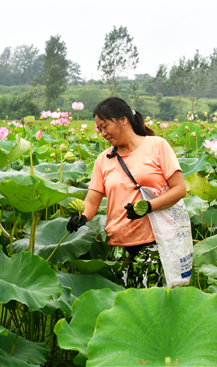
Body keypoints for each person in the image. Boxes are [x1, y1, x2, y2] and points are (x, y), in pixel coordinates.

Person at [66, 97, 186, 287]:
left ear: (123, 120)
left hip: (153, 241)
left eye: (105, 127)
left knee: (149, 305)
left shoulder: (157, 146)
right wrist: (82, 217)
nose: (103, 133)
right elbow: (92, 201)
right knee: (122, 307)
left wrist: (148, 206)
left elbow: (180, 189)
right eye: (99, 130)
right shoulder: (103, 160)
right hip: (118, 246)